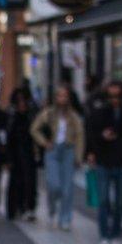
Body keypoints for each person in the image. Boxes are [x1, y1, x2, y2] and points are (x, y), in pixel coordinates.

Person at [85, 80, 122, 244]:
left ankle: (115, 234)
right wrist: (95, 148)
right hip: (103, 160)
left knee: (121, 201)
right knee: (103, 200)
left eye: (117, 96)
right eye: (111, 96)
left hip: (121, 161)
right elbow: (92, 133)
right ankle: (104, 236)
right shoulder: (99, 113)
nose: (114, 99)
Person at [31, 84, 84, 231]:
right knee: (53, 183)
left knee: (67, 187)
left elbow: (80, 136)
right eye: (59, 95)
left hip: (68, 150)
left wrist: (78, 156)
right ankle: (52, 206)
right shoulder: (48, 113)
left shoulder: (74, 117)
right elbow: (34, 129)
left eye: (65, 96)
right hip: (52, 150)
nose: (62, 99)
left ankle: (65, 217)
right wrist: (44, 142)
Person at [4, 86, 40, 223]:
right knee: (15, 181)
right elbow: (8, 136)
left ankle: (29, 207)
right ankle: (15, 207)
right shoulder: (11, 114)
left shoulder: (32, 113)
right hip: (15, 153)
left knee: (30, 181)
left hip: (29, 152)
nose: (21, 104)